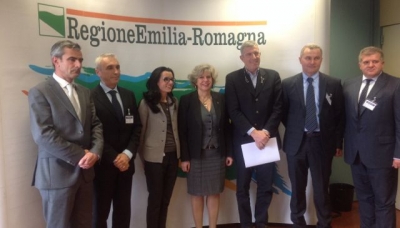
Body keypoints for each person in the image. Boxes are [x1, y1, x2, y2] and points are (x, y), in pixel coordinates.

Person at [28, 40, 103, 228]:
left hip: (85, 174)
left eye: (80, 60)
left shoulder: (85, 93)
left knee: (84, 224)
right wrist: (82, 155)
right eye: (72, 60)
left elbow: (96, 125)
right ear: (56, 61)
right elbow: (43, 134)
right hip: (57, 175)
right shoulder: (40, 92)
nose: (78, 65)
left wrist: (96, 152)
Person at [281, 44, 344, 228]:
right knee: (298, 189)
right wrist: (297, 129)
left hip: (322, 143)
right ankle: (298, 223)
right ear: (300, 60)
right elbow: (284, 113)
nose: (312, 61)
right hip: (296, 144)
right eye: (308, 58)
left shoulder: (333, 83)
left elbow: (339, 116)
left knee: (321, 188)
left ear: (321, 60)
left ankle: (324, 224)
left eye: (316, 58)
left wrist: (338, 142)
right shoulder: (287, 84)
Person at [225, 40, 283, 228]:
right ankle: (245, 224)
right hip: (244, 141)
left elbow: (278, 108)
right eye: (249, 54)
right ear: (242, 57)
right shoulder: (232, 78)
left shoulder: (273, 76)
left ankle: (261, 224)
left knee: (266, 187)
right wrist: (253, 132)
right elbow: (233, 110)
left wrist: (264, 132)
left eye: (256, 53)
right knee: (242, 188)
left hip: (267, 141)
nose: (254, 57)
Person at [343, 46, 400, 228]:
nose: (370, 65)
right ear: (360, 64)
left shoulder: (395, 85)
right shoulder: (349, 85)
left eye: (375, 61)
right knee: (364, 200)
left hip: (384, 155)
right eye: (366, 62)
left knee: (384, 202)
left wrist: (398, 153)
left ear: (382, 63)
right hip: (357, 154)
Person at [178, 64, 233, 228]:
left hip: (217, 155)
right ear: (195, 80)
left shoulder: (220, 99)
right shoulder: (186, 100)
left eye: (208, 77)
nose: (205, 80)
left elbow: (227, 128)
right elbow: (182, 131)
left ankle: (213, 226)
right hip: (196, 156)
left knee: (214, 193)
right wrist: (185, 158)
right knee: (196, 193)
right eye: (201, 77)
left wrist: (229, 153)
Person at [91, 53, 142, 228]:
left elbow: (137, 127)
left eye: (117, 67)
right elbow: (93, 133)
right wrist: (115, 157)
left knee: (123, 213)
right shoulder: (90, 96)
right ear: (98, 72)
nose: (116, 71)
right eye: (110, 68)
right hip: (103, 167)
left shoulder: (128, 95)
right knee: (99, 214)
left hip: (125, 166)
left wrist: (127, 155)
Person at [138, 66, 180, 228]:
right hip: (153, 159)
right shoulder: (146, 103)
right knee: (155, 199)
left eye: (172, 79)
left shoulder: (174, 102)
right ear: (156, 82)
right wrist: (143, 158)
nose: (170, 82)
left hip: (172, 157)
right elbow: (140, 134)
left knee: (165, 200)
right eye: (166, 79)